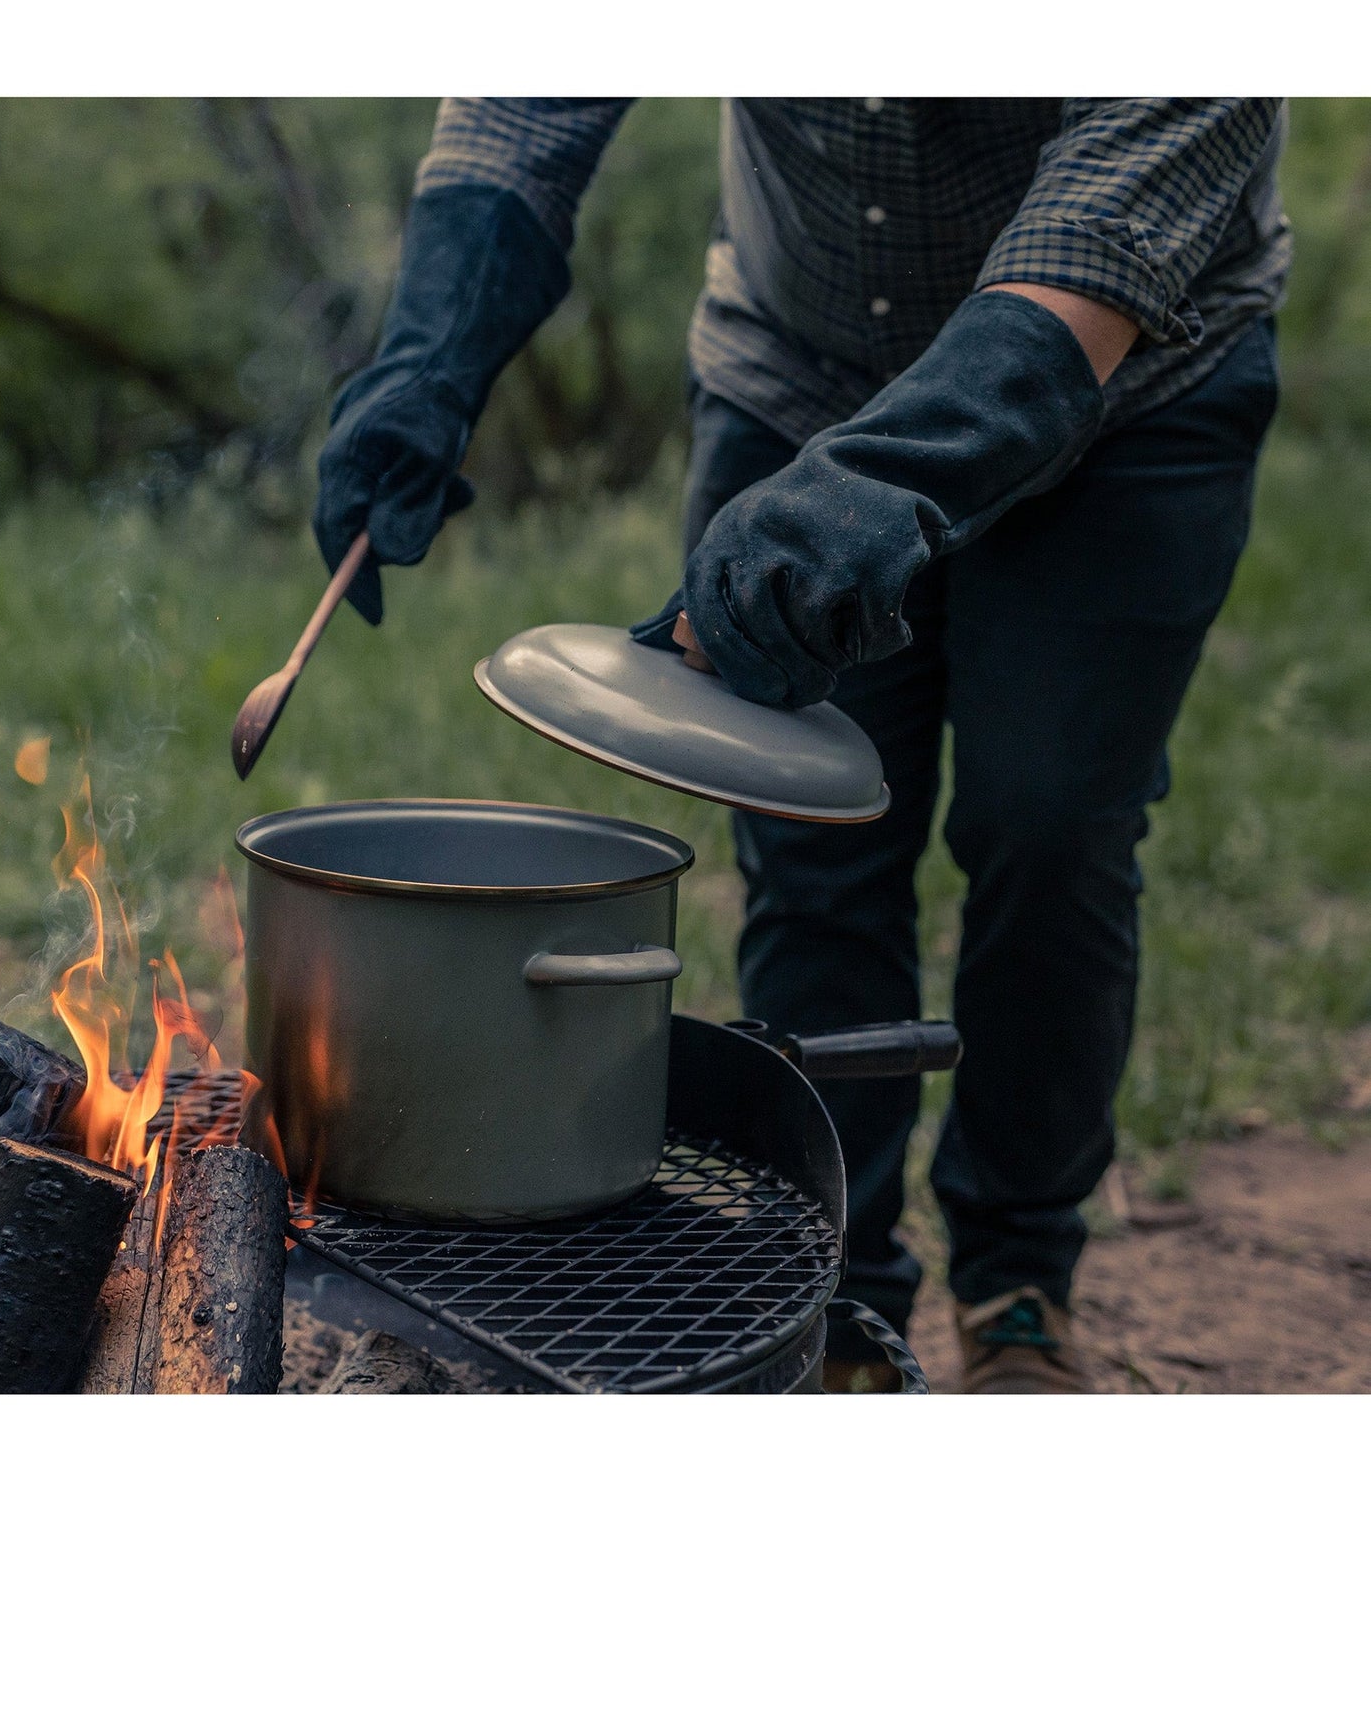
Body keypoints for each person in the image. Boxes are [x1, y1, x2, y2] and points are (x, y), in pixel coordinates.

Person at [312, 99, 1291, 1392]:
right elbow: (524, 98)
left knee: (1047, 825)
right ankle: (829, 1295)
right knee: (810, 855)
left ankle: (1013, 1285)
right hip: (795, 367)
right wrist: (432, 347)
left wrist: (875, 484)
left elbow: (1101, 234)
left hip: (1126, 390)